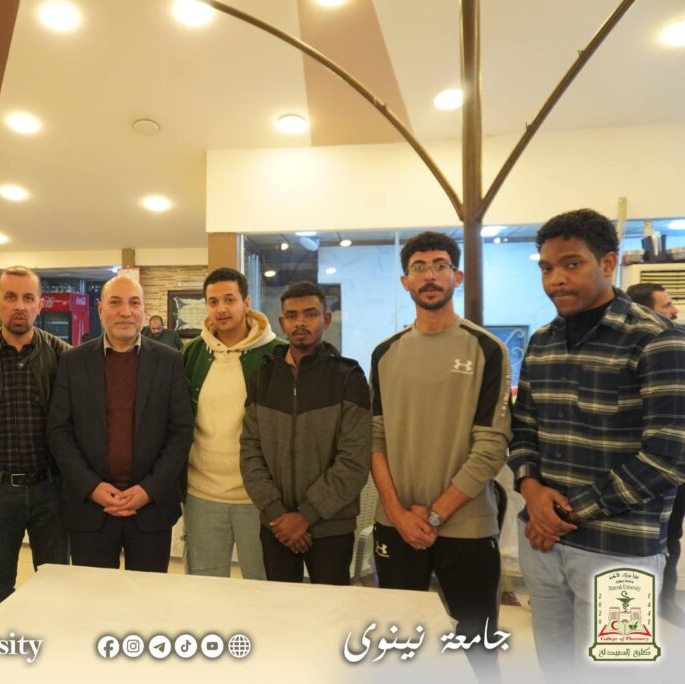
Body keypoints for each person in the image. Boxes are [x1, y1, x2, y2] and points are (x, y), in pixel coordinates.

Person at [509, 209, 685, 678]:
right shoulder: (542, 342)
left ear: (608, 263)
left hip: (619, 552)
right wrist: (530, 489)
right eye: (547, 268)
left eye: (572, 264)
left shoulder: (658, 340)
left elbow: (668, 457)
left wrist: (563, 513)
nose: (556, 279)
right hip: (542, 545)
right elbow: (523, 429)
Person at [369, 231, 511, 681]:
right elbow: (375, 439)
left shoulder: (486, 349)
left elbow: (491, 445)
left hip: (466, 526)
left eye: (439, 265)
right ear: (405, 282)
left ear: (457, 276)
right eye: (418, 268)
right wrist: (397, 513)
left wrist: (432, 517)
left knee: (478, 647)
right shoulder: (384, 353)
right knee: (400, 645)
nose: (429, 275)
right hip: (396, 524)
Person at [47, 276, 192, 572]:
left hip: (150, 510)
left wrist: (148, 490)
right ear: (101, 310)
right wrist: (92, 487)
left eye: (134, 303)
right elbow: (59, 431)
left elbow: (180, 433)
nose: (125, 312)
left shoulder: (170, 361)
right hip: (91, 509)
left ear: (144, 310)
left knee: (147, 596)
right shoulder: (72, 361)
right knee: (95, 598)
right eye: (115, 302)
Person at [240, 281, 370, 586]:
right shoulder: (263, 377)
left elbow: (354, 460)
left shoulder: (348, 377)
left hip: (331, 526)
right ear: (282, 322)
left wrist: (305, 516)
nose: (300, 322)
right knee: (280, 609)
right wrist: (278, 515)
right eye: (292, 315)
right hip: (276, 525)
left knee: (331, 609)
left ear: (326, 319)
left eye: (310, 314)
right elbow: (250, 451)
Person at [0, 266, 70, 616]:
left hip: (51, 491)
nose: (19, 305)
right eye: (10, 297)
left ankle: (52, 648)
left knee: (56, 586)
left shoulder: (64, 358)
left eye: (27, 298)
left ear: (40, 304)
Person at [181, 267, 284, 579]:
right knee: (205, 588)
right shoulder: (191, 353)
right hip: (202, 494)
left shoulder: (278, 353)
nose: (221, 309)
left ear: (246, 302)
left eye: (229, 299)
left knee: (262, 586)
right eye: (213, 302)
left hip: (259, 498)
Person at [626, 281, 684, 625]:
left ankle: (665, 599)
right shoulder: (635, 354)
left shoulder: (677, 345)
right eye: (666, 305)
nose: (674, 310)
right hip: (640, 468)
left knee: (671, 535)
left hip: (675, 463)